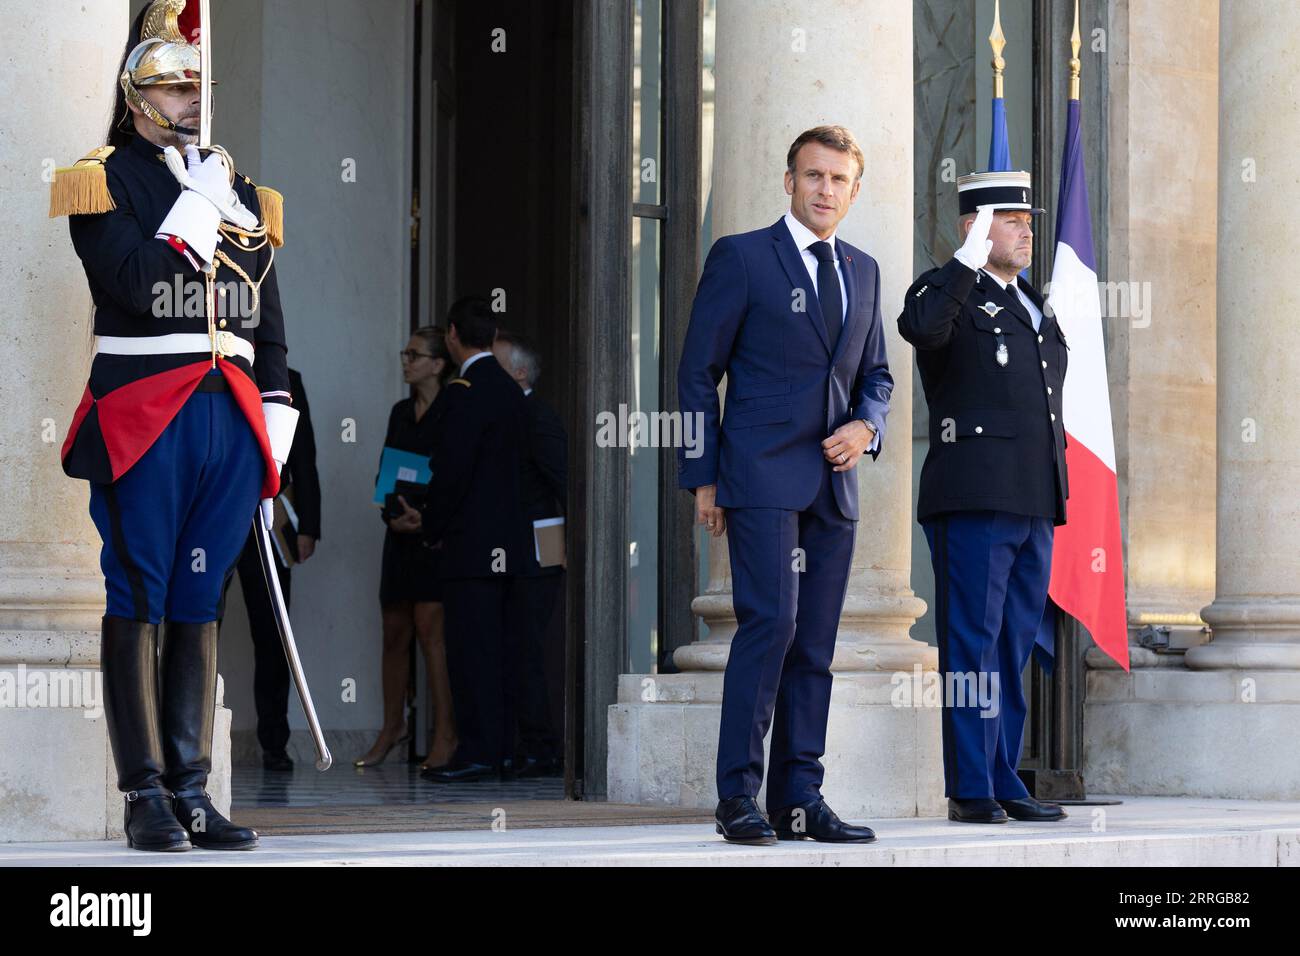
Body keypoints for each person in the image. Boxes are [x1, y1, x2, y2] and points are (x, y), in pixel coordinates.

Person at [52, 0, 297, 851]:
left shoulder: (238, 184)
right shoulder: (102, 177)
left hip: (228, 418)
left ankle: (194, 789)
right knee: (141, 592)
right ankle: (144, 794)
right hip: (144, 409)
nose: (192, 97)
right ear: (135, 95)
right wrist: (194, 206)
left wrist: (277, 424)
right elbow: (137, 282)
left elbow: (264, 318)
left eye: (197, 83)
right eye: (173, 84)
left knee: (201, 599)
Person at [677, 125, 892, 845]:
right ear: (789, 180)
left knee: (815, 646)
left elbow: (878, 376)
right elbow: (696, 374)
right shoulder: (741, 257)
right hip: (761, 475)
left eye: (838, 180)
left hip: (835, 488)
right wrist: (702, 477)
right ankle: (736, 797)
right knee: (769, 629)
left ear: (854, 191)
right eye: (813, 176)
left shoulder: (863, 270)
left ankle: (800, 798)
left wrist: (868, 426)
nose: (824, 190)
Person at [896, 170, 1069, 825]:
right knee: (971, 643)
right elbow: (923, 329)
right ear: (974, 227)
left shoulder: (1033, 305)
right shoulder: (947, 294)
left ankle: (1003, 775)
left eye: (1029, 219)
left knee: (1012, 644)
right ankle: (971, 787)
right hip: (973, 495)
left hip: (1033, 498)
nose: (1027, 228)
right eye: (1009, 218)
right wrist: (963, 263)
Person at [392, 297, 529, 783]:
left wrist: (429, 526)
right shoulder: (511, 390)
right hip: (509, 546)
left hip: (470, 547)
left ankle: (476, 752)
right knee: (501, 650)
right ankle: (504, 751)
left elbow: (451, 473)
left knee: (470, 653)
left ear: (452, 335)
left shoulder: (463, 392)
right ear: (491, 337)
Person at [355, 327, 459, 771]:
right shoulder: (401, 411)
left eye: (414, 355)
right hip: (398, 533)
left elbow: (455, 473)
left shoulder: (453, 409)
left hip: (435, 536)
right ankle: (391, 728)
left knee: (431, 632)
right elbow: (388, 468)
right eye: (404, 353)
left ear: (437, 363)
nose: (406, 362)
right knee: (393, 629)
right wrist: (392, 515)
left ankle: (445, 733)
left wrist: (428, 516)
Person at [219, 367, 320, 773]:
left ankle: (274, 743)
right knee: (203, 621)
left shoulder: (288, 377)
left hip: (272, 517)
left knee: (274, 631)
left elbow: (303, 454)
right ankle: (192, 737)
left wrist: (308, 525)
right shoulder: (218, 365)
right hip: (219, 510)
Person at [494, 331, 566, 777]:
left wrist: (573, 545)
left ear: (520, 372)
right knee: (510, 648)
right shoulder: (509, 413)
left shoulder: (537, 415)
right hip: (510, 552)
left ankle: (540, 747)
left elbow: (563, 482)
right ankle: (517, 743)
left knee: (528, 650)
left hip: (537, 553)